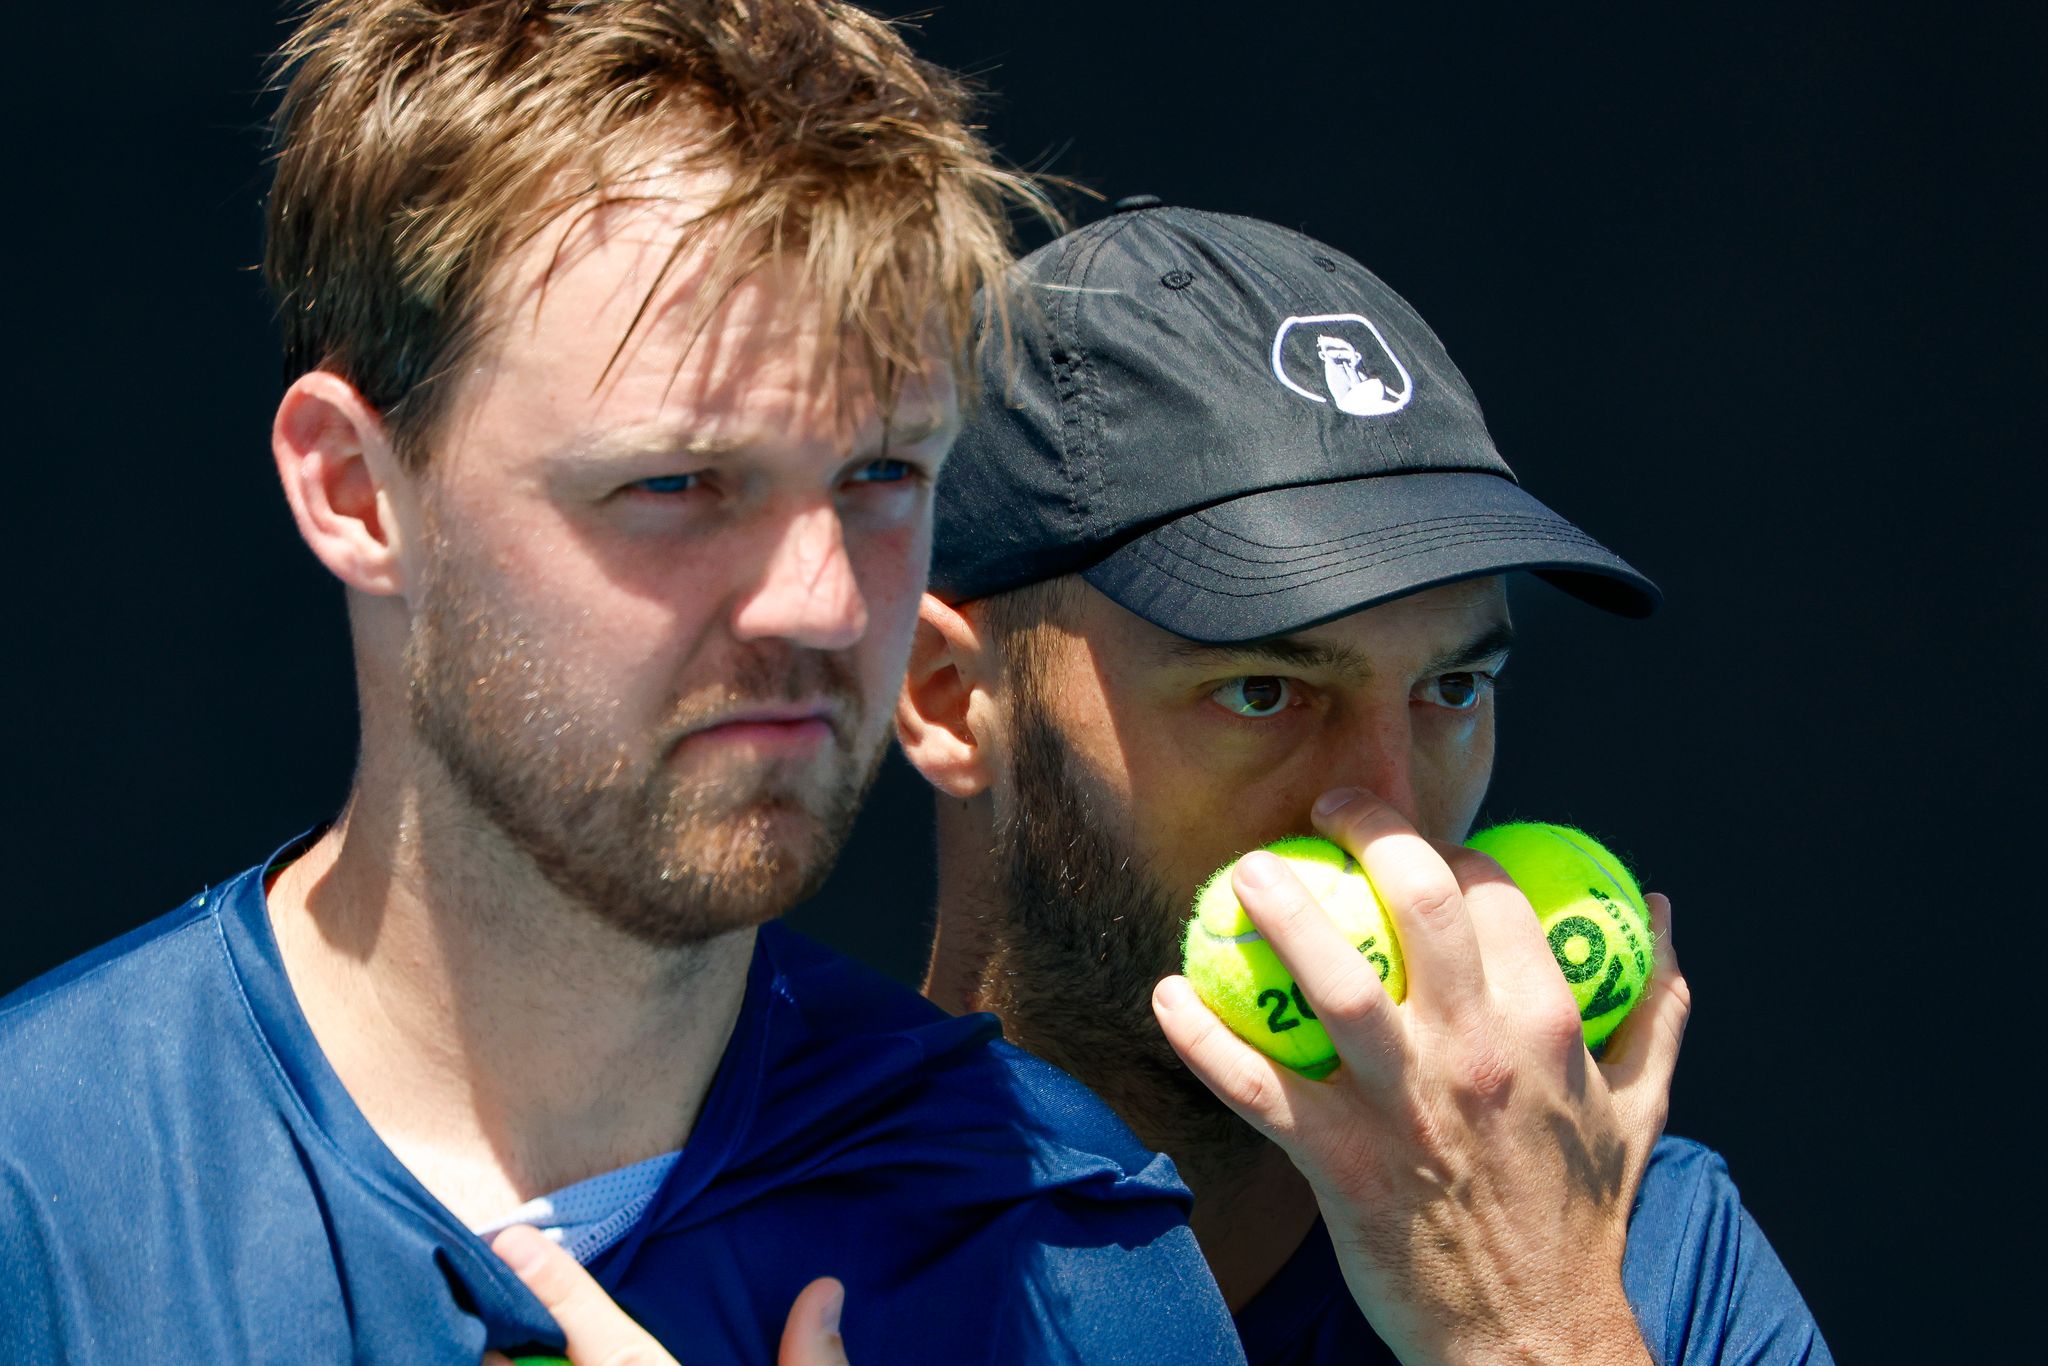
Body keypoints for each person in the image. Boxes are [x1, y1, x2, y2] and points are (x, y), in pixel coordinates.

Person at [0, 10, 1244, 1362]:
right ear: (360, 490)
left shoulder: (1061, 1238)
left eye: (882, 474)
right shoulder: (43, 1195)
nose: (825, 600)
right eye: (677, 483)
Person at [895, 201, 1835, 1363]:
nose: (1390, 810)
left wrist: (1533, 1328)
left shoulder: (1636, 1252)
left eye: (1449, 688)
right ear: (946, 694)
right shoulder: (716, 1261)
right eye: (1260, 690)